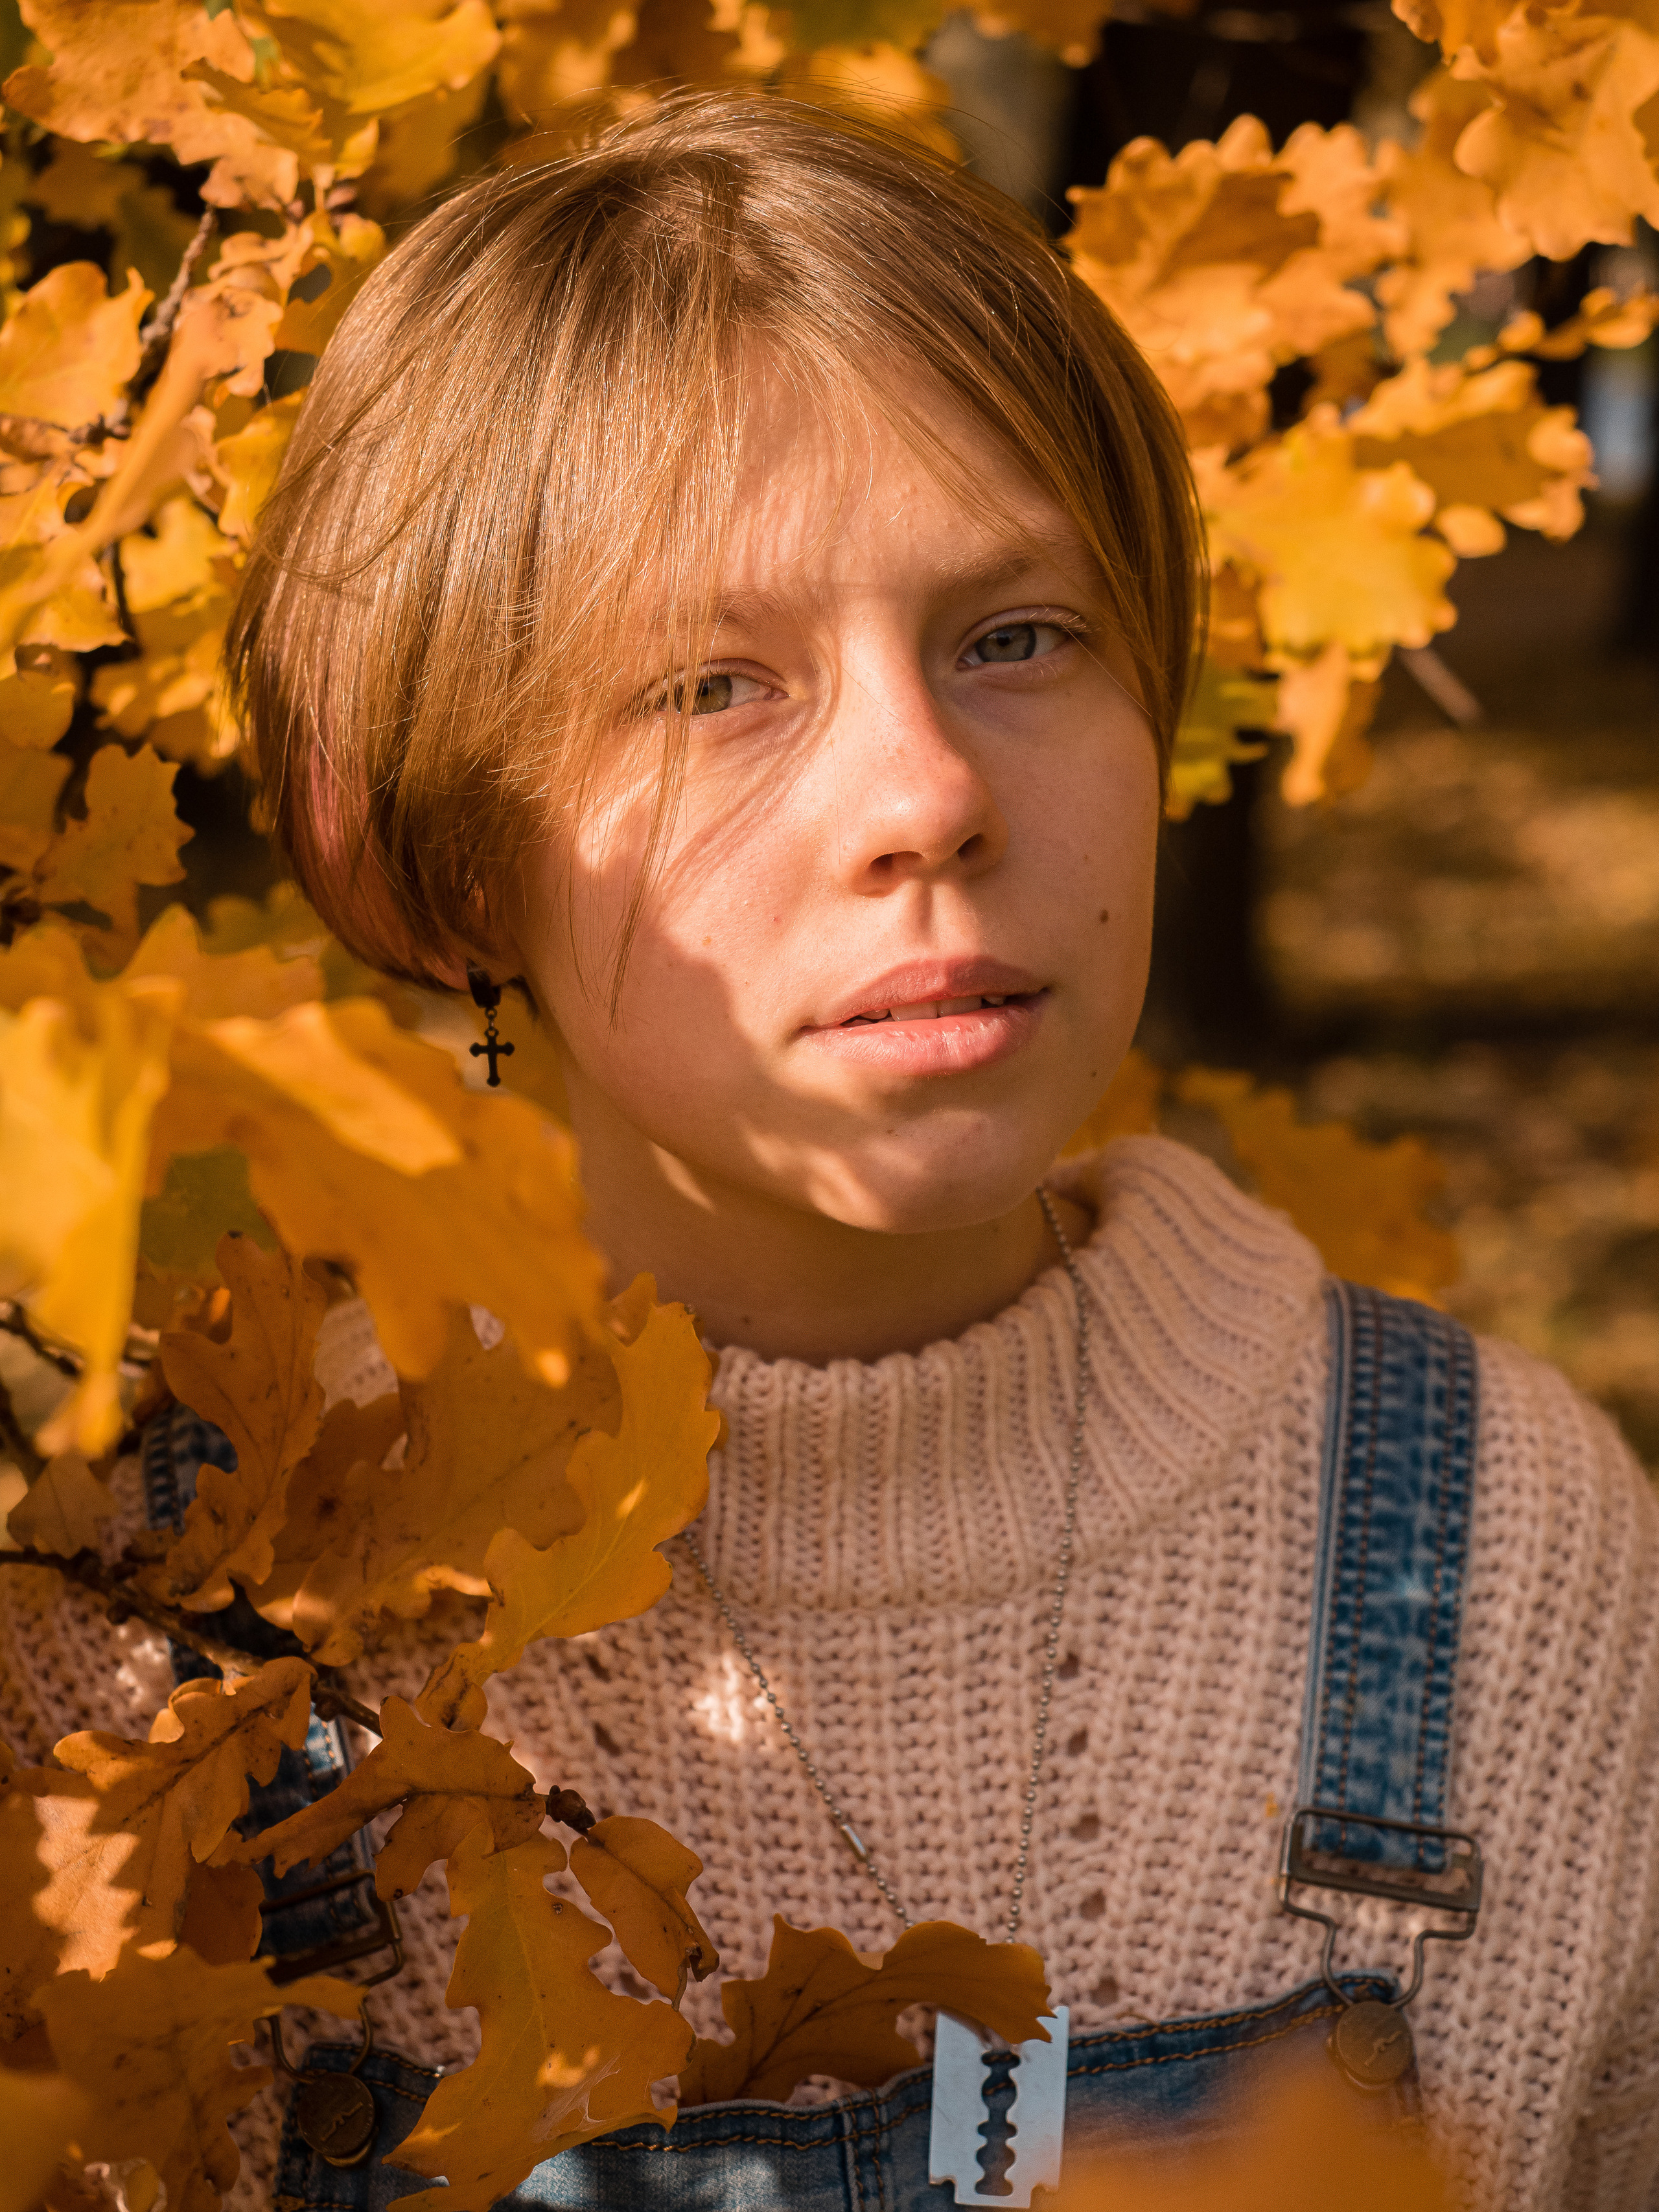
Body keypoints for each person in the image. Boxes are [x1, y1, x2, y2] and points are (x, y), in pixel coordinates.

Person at [5, 91, 1656, 2212]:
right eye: (715, 685)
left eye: (1016, 636)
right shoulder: (148, 1664)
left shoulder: (1499, 1560)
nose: (927, 793)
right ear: (429, 856)